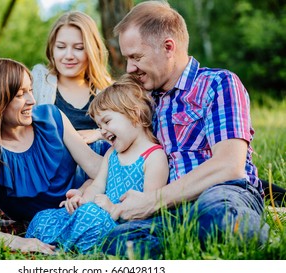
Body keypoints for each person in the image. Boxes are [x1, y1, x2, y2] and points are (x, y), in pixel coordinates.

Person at [102, 1, 270, 258]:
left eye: (136, 57)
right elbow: (119, 158)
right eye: (127, 58)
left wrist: (153, 200)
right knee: (117, 241)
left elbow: (229, 165)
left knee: (217, 215)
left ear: (168, 47)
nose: (129, 68)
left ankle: (221, 236)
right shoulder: (145, 101)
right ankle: (194, 246)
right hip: (172, 209)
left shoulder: (218, 84)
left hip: (221, 194)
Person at [0, 57, 102, 254]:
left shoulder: (50, 117)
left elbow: (96, 167)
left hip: (90, 187)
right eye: (20, 95)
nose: (32, 101)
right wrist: (21, 243)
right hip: (50, 220)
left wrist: (87, 189)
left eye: (31, 90)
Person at [25, 74, 169, 253]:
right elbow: (97, 186)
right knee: (43, 217)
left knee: (90, 216)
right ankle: (64, 243)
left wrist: (115, 208)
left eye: (107, 121)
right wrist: (81, 199)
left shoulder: (154, 156)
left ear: (135, 115)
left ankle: (66, 248)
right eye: (99, 126)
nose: (103, 131)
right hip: (96, 213)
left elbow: (149, 208)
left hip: (120, 225)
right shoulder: (112, 154)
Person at [31, 11, 112, 184]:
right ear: (52, 49)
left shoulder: (107, 90)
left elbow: (126, 134)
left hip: (96, 172)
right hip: (50, 172)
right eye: (61, 47)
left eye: (79, 48)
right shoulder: (38, 81)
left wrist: (98, 133)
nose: (68, 55)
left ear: (92, 50)